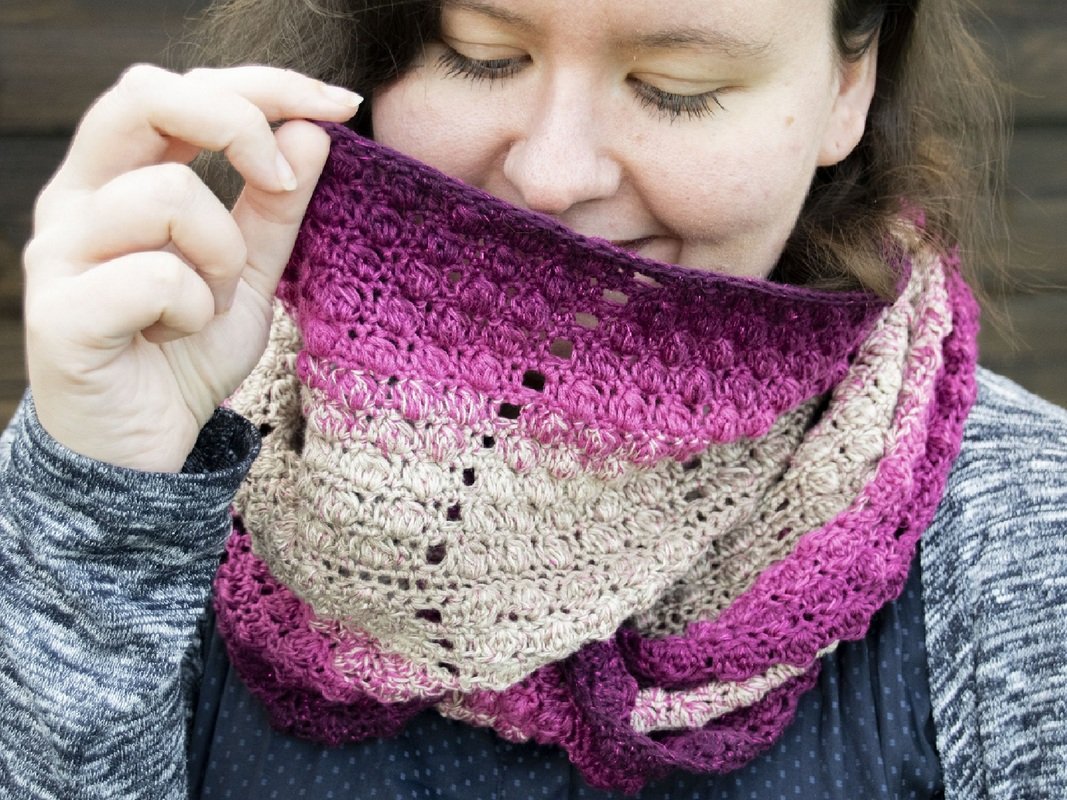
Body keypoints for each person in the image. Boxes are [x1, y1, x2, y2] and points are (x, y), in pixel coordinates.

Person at [1, 0, 1065, 797]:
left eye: (675, 85)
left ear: (846, 88)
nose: (552, 175)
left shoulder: (1017, 539)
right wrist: (102, 511)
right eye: (479, 54)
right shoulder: (172, 440)